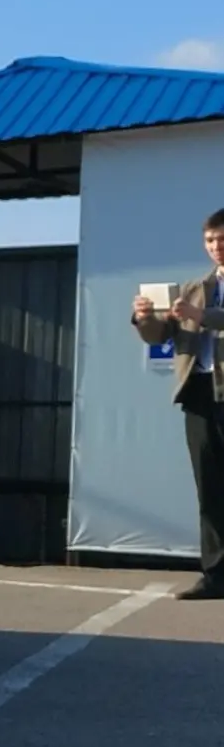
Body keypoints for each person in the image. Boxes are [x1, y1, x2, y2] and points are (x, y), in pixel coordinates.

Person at [131, 208, 224, 600]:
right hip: (201, 395)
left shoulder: (199, 303)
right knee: (211, 488)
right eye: (209, 241)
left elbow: (207, 319)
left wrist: (202, 315)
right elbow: (159, 337)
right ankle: (216, 576)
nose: (216, 247)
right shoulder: (192, 288)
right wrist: (144, 318)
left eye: (221, 239)